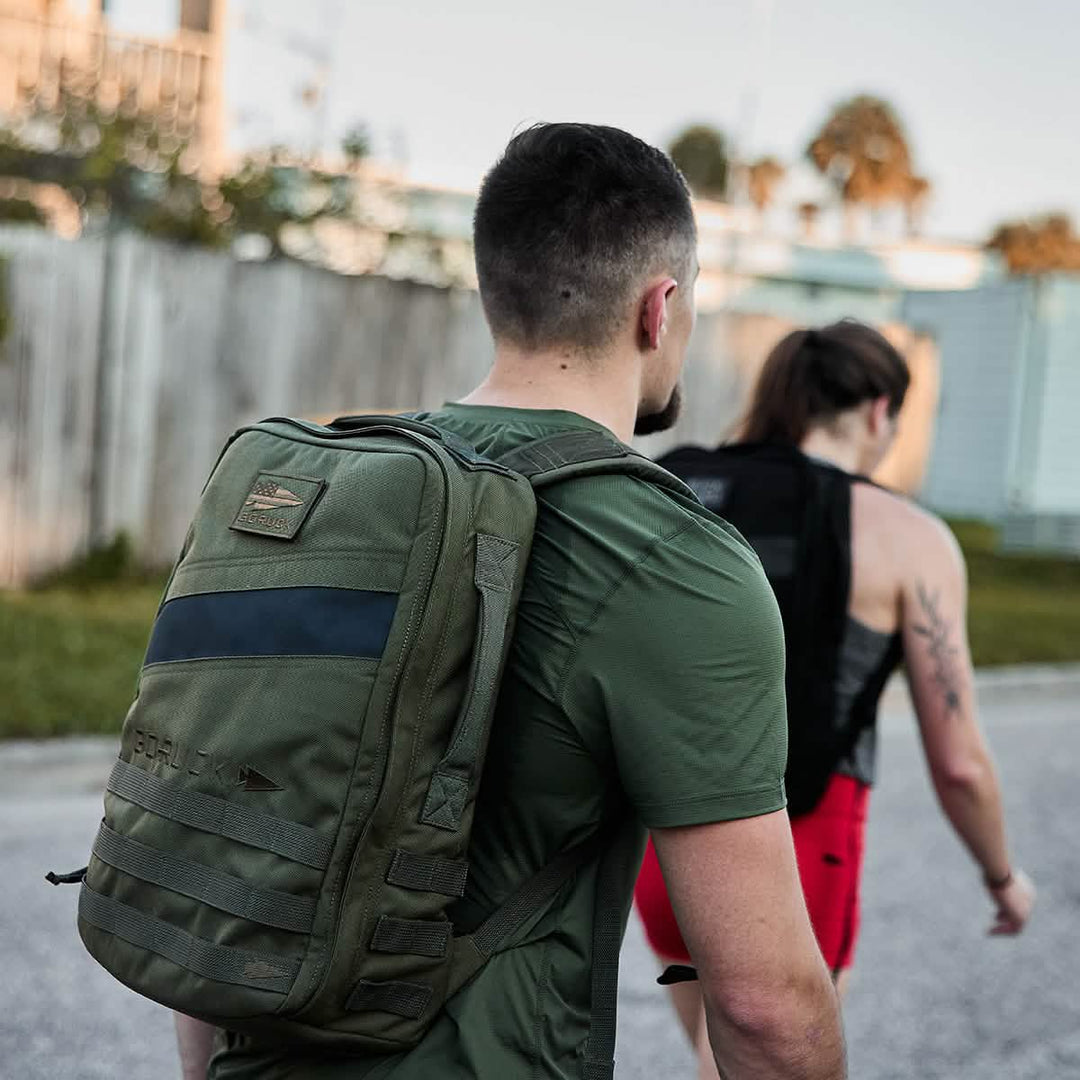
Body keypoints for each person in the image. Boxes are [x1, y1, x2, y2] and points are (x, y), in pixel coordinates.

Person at [176, 124, 846, 1079]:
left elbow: (212, 832)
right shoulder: (674, 561)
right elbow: (764, 1006)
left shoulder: (336, 491)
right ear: (661, 309)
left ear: (497, 290)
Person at [634, 320, 1036, 1077]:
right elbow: (959, 765)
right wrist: (1001, 876)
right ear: (881, 411)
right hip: (803, 854)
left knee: (715, 1058)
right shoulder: (907, 535)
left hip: (663, 848)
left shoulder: (679, 487)